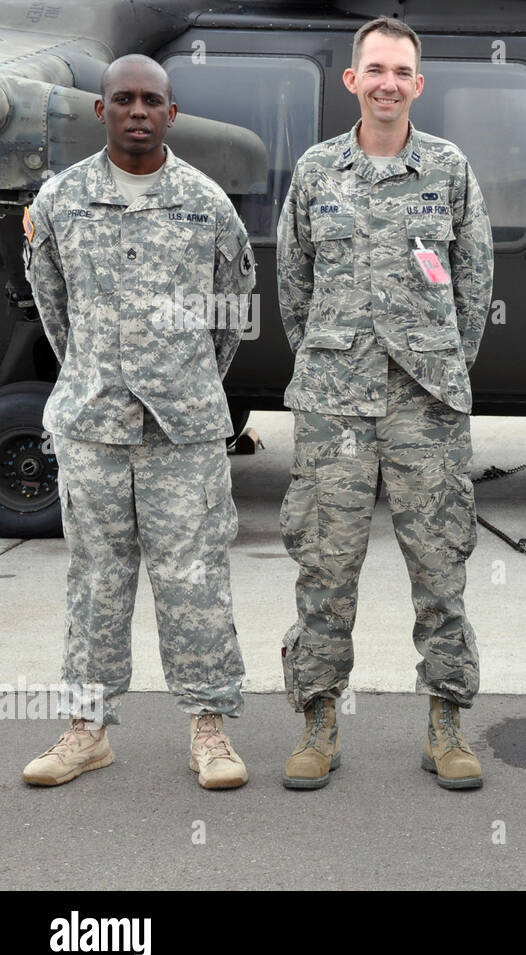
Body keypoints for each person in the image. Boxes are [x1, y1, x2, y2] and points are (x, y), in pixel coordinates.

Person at [21, 55, 255, 790]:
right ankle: (86, 730)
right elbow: (52, 308)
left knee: (196, 578)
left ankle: (209, 731)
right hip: (91, 427)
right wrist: (97, 374)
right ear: (101, 110)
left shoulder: (206, 201)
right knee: (95, 580)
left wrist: (179, 383)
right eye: (123, 99)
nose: (138, 111)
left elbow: (233, 312)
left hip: (182, 433)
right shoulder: (60, 201)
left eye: (152, 100)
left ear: (172, 113)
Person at [276, 17, 493, 790]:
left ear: (418, 84)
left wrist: (440, 365)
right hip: (334, 401)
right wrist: (332, 355)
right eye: (375, 69)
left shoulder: (448, 169)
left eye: (401, 71)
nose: (388, 83)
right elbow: (293, 287)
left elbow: (474, 282)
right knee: (324, 564)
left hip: (425, 404)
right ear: (353, 80)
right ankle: (318, 720)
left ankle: (445, 722)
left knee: (441, 565)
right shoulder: (314, 170)